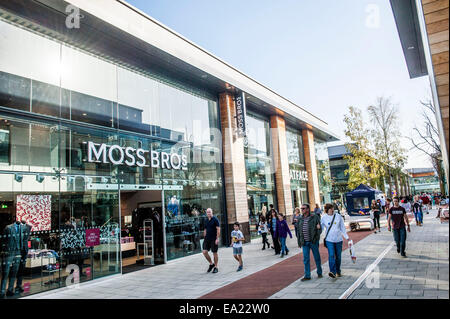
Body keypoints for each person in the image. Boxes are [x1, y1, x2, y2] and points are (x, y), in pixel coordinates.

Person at [321, 203, 351, 278]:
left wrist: (347, 237)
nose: (332, 210)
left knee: (338, 256)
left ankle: (338, 271)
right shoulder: (324, 218)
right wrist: (317, 229)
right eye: (330, 208)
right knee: (331, 255)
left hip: (338, 240)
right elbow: (321, 228)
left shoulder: (338, 216)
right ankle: (332, 272)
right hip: (329, 240)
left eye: (332, 208)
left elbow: (342, 228)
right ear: (327, 210)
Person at [297, 203, 323, 281]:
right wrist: (299, 242)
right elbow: (298, 231)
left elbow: (319, 229)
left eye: (303, 208)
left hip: (313, 241)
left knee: (317, 257)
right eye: (301, 209)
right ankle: (307, 275)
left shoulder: (314, 217)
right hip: (304, 242)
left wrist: (316, 238)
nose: (302, 210)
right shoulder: (300, 219)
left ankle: (319, 272)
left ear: (308, 209)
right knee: (306, 259)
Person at [202, 208, 220, 273]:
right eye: (207, 212)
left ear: (212, 212)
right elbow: (205, 229)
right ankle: (211, 264)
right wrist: (204, 236)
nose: (208, 213)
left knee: (214, 252)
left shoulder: (215, 220)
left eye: (209, 212)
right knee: (204, 252)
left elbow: (218, 229)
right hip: (207, 239)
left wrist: (217, 239)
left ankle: (216, 267)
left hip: (213, 239)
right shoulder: (206, 220)